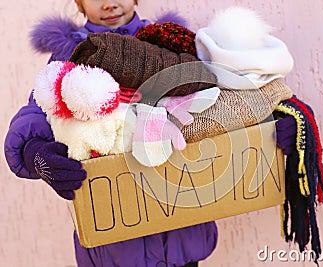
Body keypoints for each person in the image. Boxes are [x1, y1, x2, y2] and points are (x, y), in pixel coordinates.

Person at [4, 1, 217, 266]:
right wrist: (33, 151)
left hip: (180, 232)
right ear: (79, 3)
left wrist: (278, 116)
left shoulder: (167, 41)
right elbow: (37, 112)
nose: (110, 3)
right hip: (114, 245)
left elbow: (223, 98)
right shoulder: (72, 54)